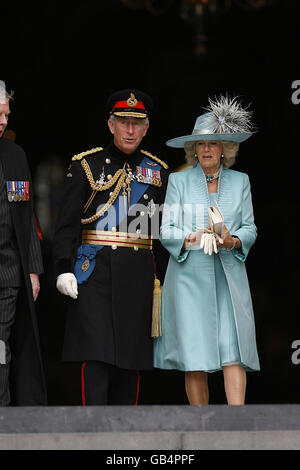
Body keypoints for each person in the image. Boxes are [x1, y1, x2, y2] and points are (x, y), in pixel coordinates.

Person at [53, 89, 169, 405]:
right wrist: (63, 268)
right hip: (94, 274)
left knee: (132, 362)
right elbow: (65, 227)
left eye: (137, 123)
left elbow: (159, 236)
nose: (130, 130)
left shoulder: (158, 173)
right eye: (123, 122)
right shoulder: (86, 165)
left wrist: (167, 282)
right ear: (111, 125)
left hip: (138, 276)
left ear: (146, 128)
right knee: (95, 357)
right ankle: (94, 435)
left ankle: (125, 439)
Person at [154, 95, 260, 406]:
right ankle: (201, 428)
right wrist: (194, 237)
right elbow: (166, 231)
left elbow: (250, 229)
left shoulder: (241, 182)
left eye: (212, 144)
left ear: (225, 148)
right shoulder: (179, 181)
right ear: (193, 150)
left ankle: (235, 425)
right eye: (200, 145)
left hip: (229, 278)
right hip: (189, 278)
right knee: (195, 354)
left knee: (233, 351)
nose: (206, 150)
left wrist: (231, 240)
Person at [0, 80, 47, 406]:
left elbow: (26, 213)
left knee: (0, 347)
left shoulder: (15, 155)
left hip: (8, 272)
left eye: (6, 114)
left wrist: (32, 269)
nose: (3, 121)